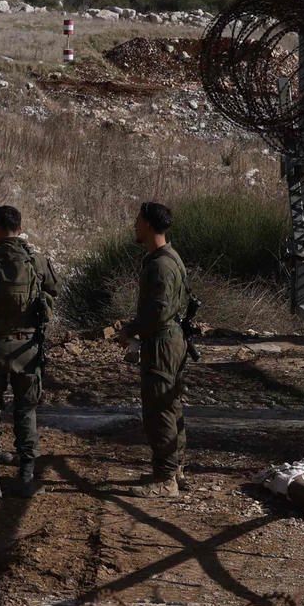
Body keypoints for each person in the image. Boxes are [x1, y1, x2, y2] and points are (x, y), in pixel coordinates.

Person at [0, 204, 56, 499]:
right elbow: (52, 294)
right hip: (27, 349)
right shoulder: (37, 261)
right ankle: (26, 477)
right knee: (26, 411)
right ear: (20, 226)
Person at [130, 201, 196, 492]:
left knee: (159, 408)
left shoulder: (160, 265)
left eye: (138, 220)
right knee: (171, 404)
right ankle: (174, 469)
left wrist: (129, 331)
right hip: (170, 339)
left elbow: (156, 313)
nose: (134, 225)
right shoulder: (169, 258)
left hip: (162, 343)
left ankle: (165, 479)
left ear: (148, 224)